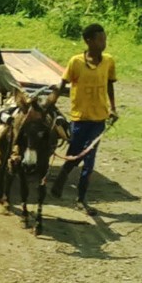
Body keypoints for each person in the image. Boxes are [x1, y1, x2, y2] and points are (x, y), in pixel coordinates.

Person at [52, 22, 118, 214]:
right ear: (89, 41)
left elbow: (110, 85)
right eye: (100, 39)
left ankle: (81, 199)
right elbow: (63, 83)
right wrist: (53, 102)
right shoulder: (76, 62)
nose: (104, 43)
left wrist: (112, 108)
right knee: (74, 153)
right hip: (80, 117)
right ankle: (61, 178)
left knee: (89, 159)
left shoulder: (108, 61)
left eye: (104, 39)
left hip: (99, 118)